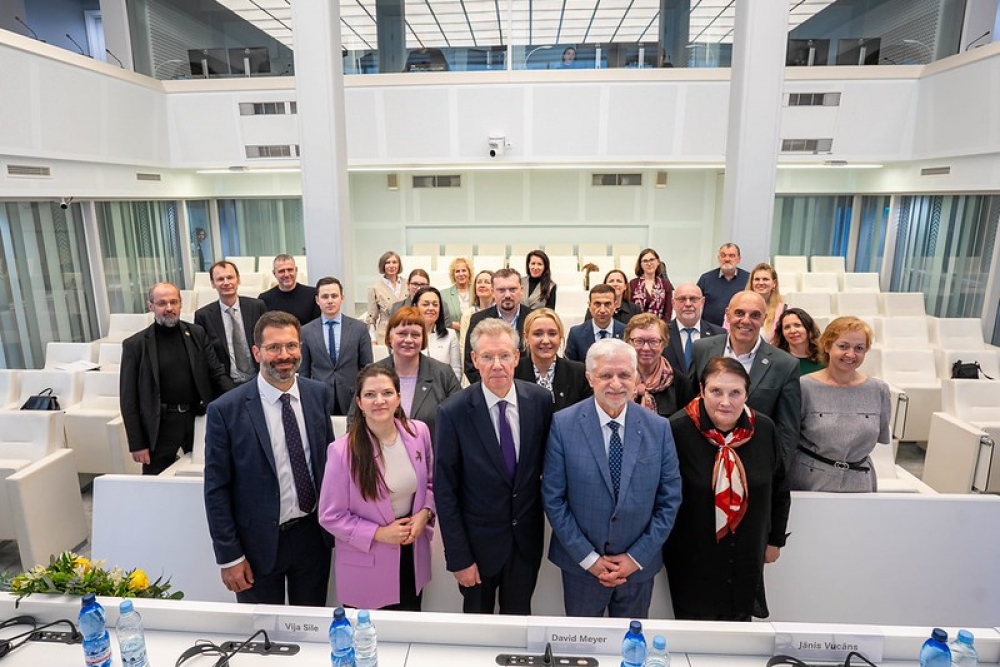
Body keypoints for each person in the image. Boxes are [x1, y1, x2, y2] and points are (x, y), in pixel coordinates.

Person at [543, 338, 681, 618]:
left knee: (631, 644)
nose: (616, 384)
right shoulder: (563, 424)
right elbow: (554, 498)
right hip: (582, 569)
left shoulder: (659, 428)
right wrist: (590, 560)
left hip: (637, 570)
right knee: (582, 644)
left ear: (636, 377)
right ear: (589, 378)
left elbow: (669, 499)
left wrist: (635, 558)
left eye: (624, 375)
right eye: (606, 375)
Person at [204, 311, 334, 605]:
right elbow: (216, 490)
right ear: (256, 352)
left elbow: (327, 466)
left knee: (310, 624)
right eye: (274, 347)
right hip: (256, 547)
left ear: (301, 348)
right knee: (263, 630)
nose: (284, 355)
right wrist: (230, 556)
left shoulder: (317, 395)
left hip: (312, 538)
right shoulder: (226, 410)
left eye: (291, 346)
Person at [435, 318, 555, 614]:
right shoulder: (453, 412)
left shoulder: (540, 401)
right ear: (474, 360)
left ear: (517, 357)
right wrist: (459, 557)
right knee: (478, 632)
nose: (497, 365)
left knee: (519, 625)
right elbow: (445, 490)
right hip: (476, 550)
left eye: (504, 355)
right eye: (487, 357)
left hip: (525, 545)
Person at [665, 357, 790, 621]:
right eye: (716, 391)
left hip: (746, 553)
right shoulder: (677, 429)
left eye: (735, 393)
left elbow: (779, 487)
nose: (725, 402)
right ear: (702, 390)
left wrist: (775, 539)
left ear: (747, 394)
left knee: (739, 628)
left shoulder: (764, 428)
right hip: (693, 555)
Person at [319, 365, 435, 611]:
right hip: (367, 563)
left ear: (398, 398)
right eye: (370, 394)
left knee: (408, 628)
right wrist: (379, 534)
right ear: (359, 403)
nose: (379, 401)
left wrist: (425, 514)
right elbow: (330, 516)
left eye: (387, 393)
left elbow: (431, 483)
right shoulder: (342, 451)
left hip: (411, 554)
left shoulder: (419, 433)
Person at [121, 282, 233, 475]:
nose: (169, 308)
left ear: (181, 304)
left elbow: (217, 373)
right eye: (162, 303)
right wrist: (137, 443)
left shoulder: (197, 333)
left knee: (209, 473)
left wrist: (240, 399)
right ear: (151, 306)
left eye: (174, 302)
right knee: (156, 479)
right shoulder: (135, 345)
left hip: (197, 417)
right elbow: (128, 400)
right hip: (161, 425)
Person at [690, 291, 801, 465]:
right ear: (727, 314)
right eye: (739, 313)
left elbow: (787, 429)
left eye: (755, 315)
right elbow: (690, 404)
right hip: (703, 458)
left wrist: (777, 472)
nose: (746, 320)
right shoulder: (701, 349)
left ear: (764, 319)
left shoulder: (785, 365)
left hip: (756, 463)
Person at [789, 316, 891, 492]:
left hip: (860, 484)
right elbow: (789, 438)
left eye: (859, 348)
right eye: (843, 346)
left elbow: (881, 435)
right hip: (809, 482)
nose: (851, 354)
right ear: (827, 346)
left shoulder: (879, 390)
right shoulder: (803, 387)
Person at [357, 307, 461, 447]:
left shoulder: (443, 374)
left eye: (415, 335)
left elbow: (460, 421)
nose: (408, 340)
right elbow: (355, 421)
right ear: (390, 337)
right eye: (402, 333)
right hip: (379, 455)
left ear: (423, 339)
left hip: (431, 456)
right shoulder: (370, 374)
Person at [298, 277, 373, 415]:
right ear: (317, 300)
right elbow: (304, 371)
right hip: (319, 397)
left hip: (352, 396)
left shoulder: (359, 328)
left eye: (334, 296)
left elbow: (367, 367)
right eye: (325, 297)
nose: (330, 301)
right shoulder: (306, 331)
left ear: (342, 298)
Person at [194, 260, 267, 386]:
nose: (226, 282)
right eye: (220, 279)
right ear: (213, 283)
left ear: (238, 279)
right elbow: (207, 356)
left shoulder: (257, 307)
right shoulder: (203, 316)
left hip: (260, 378)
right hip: (226, 384)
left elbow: (267, 341)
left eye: (230, 277)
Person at [514, 308, 592, 411]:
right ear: (527, 338)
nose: (546, 341)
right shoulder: (514, 371)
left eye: (552, 334)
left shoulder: (579, 373)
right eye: (538, 334)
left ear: (560, 337)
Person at [463, 268, 532, 384]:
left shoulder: (533, 318)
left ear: (521, 290)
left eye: (512, 289)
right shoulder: (478, 319)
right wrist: (490, 388)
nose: (507, 295)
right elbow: (470, 364)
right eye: (501, 290)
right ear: (493, 292)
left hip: (527, 388)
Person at [624, 313, 695, 418]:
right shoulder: (617, 379)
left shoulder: (680, 384)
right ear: (628, 342)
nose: (646, 348)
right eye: (639, 341)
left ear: (663, 344)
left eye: (653, 341)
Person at [665, 282, 726, 375]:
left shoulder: (719, 334)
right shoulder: (662, 333)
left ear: (702, 302)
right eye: (682, 299)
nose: (688, 304)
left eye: (693, 299)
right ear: (673, 303)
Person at [565, 284, 625, 362]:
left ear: (615, 305)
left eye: (607, 304)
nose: (602, 310)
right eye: (597, 304)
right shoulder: (576, 334)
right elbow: (570, 366)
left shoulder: (625, 332)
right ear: (589, 306)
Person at [414, 286, 461, 380]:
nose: (431, 308)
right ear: (415, 307)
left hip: (444, 387)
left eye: (435, 305)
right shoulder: (407, 336)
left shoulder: (450, 335)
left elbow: (456, 370)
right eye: (425, 304)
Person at [696, 243, 750, 327]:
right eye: (723, 255)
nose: (727, 259)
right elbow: (696, 303)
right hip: (709, 330)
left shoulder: (748, 279)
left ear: (739, 259)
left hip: (739, 328)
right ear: (718, 258)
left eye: (731, 256)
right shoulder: (706, 279)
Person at [259, 254, 320, 325]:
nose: (286, 275)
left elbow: (316, 326)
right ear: (274, 273)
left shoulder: (312, 295)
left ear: (296, 270)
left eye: (290, 270)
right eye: (281, 271)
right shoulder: (264, 299)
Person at [366, 251, 405, 343]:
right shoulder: (375, 288)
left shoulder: (407, 284)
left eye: (394, 262)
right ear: (383, 265)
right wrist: (372, 339)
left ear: (399, 265)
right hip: (385, 335)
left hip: (406, 332)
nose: (391, 265)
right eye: (388, 262)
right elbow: (371, 318)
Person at [773, 307, 825, 376]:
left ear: (808, 328)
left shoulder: (825, 358)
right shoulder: (776, 360)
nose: (792, 331)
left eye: (797, 325)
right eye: (787, 327)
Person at [459, 269, 495, 361]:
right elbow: (463, 345)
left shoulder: (500, 311)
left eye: (487, 282)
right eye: (479, 282)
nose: (482, 285)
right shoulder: (468, 314)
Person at [745, 263, 786, 343]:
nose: (761, 283)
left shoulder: (784, 311)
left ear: (774, 283)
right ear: (752, 283)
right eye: (757, 279)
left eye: (765, 279)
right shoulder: (738, 307)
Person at [629, 248, 673, 321]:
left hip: (659, 325)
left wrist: (661, 326)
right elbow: (630, 310)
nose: (649, 264)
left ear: (658, 262)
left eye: (652, 260)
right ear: (641, 264)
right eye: (645, 261)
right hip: (637, 325)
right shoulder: (633, 284)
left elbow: (668, 313)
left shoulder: (666, 285)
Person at [441, 257, 473, 332]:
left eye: (464, 270)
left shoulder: (476, 291)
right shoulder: (443, 294)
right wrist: (452, 324)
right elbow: (438, 319)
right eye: (457, 271)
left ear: (469, 273)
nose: (461, 274)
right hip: (454, 336)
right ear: (453, 274)